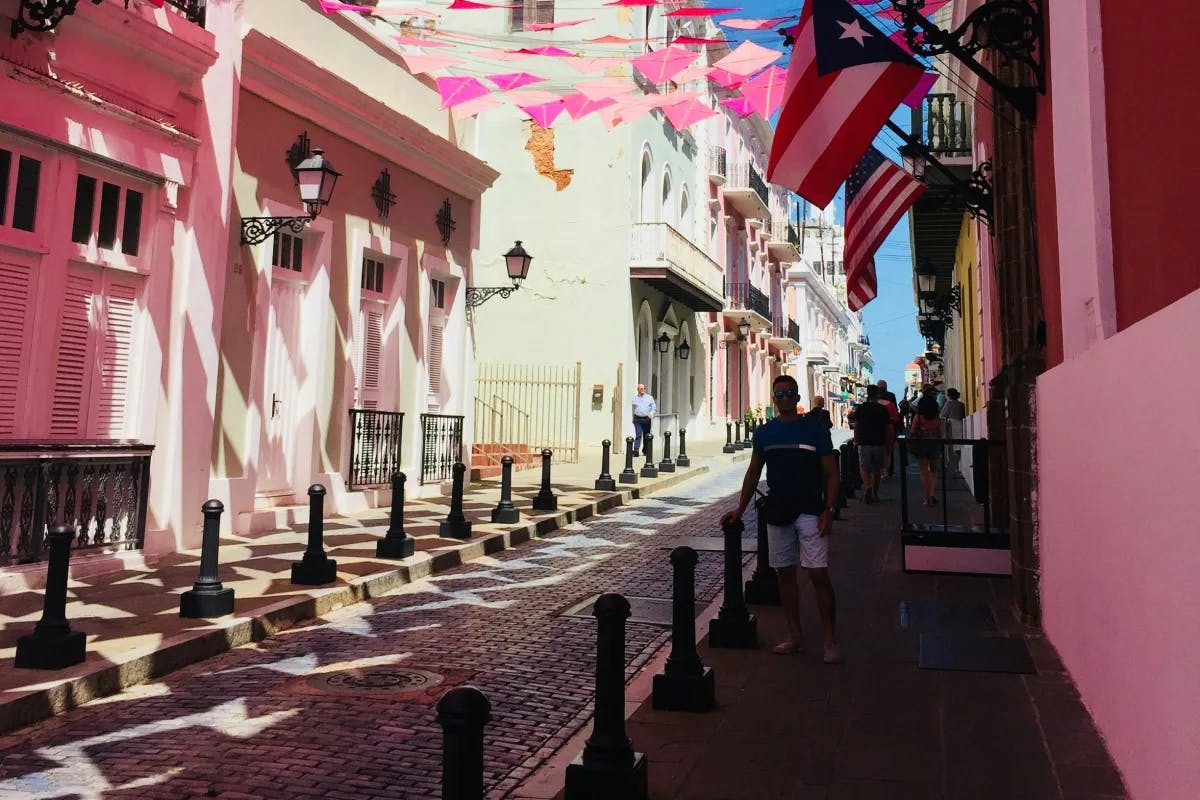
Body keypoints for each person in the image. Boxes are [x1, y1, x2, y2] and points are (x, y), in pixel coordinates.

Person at [721, 375, 842, 664]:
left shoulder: (814, 431)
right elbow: (753, 473)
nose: (785, 398)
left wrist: (830, 509)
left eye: (790, 394)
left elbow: (831, 472)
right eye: (780, 395)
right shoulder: (765, 434)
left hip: (811, 510)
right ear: (774, 400)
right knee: (784, 576)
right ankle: (795, 635)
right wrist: (740, 509)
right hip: (778, 511)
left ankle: (829, 639)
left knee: (818, 575)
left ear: (798, 398)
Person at [853, 384, 892, 503]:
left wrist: (856, 439)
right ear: (878, 395)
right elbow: (887, 428)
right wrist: (888, 444)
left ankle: (867, 486)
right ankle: (875, 494)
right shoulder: (882, 409)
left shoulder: (861, 408)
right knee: (877, 469)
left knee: (864, 467)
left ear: (867, 394)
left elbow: (857, 426)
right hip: (879, 442)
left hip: (864, 441)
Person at [909, 393, 943, 505]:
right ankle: (932, 494)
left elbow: (913, 432)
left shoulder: (918, 417)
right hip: (934, 445)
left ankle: (926, 498)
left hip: (921, 445)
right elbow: (940, 433)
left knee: (923, 472)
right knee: (933, 470)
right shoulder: (936, 418)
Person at [875, 380, 901, 478]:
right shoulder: (891, 396)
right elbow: (895, 410)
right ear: (886, 386)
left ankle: (879, 471)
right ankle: (889, 470)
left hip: (877, 427)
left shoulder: (874, 397)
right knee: (889, 449)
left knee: (878, 448)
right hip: (890, 425)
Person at [940, 388, 967, 475]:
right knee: (958, 447)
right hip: (960, 424)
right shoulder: (961, 405)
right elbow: (963, 415)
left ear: (949, 396)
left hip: (951, 425)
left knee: (950, 447)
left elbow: (943, 414)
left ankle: (952, 466)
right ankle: (957, 466)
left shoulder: (949, 404)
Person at [630, 383, 655, 456]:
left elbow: (653, 407)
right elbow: (632, 409)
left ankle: (645, 450)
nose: (643, 390)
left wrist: (651, 413)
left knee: (646, 435)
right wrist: (632, 418)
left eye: (644, 388)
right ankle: (636, 450)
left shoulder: (649, 398)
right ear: (637, 390)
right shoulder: (634, 398)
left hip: (646, 419)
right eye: (641, 389)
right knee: (638, 434)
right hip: (637, 419)